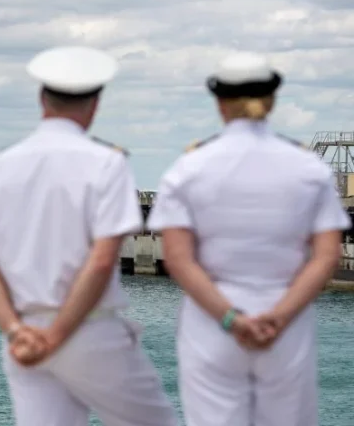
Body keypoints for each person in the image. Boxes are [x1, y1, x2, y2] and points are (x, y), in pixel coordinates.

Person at [0, 46, 177, 426]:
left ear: (42, 99)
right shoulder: (107, 163)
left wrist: (15, 331)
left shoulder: (0, 166)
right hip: (89, 330)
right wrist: (59, 335)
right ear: (95, 104)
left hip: (25, 332)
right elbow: (102, 261)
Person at [146, 52, 352, 426]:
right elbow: (326, 257)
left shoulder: (189, 168)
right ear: (271, 101)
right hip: (285, 324)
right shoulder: (308, 167)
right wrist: (279, 318)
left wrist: (231, 319)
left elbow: (178, 259)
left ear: (219, 102)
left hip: (213, 325)